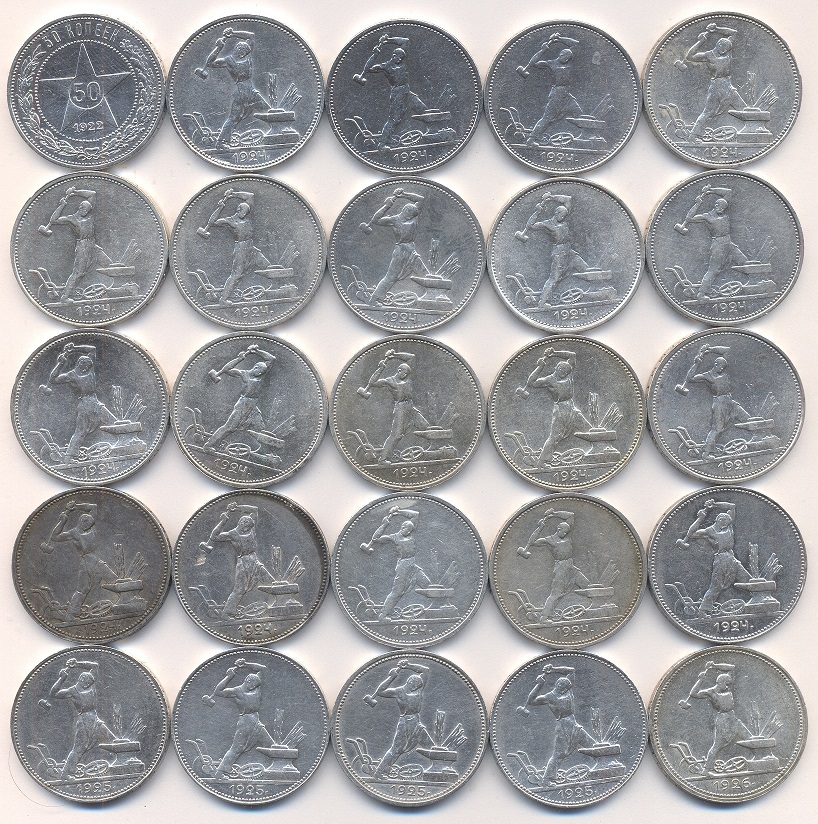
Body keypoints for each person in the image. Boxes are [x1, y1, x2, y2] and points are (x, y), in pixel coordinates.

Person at [522, 664, 595, 784]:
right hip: (563, 727)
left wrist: (553, 670)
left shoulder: (568, 689)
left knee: (592, 745)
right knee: (558, 754)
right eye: (565, 688)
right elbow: (531, 701)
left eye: (568, 688)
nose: (567, 689)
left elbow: (571, 670)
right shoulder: (549, 697)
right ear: (559, 686)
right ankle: (547, 780)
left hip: (574, 724)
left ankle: (602, 767)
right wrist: (539, 684)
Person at [677, 499, 751, 615]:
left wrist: (715, 504)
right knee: (716, 586)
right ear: (718, 520)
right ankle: (703, 610)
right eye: (723, 519)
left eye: (727, 519)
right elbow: (691, 534)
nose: (727, 520)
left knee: (748, 580)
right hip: (721, 559)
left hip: (731, 558)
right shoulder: (710, 531)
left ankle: (756, 602)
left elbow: (732, 506)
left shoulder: (728, 527)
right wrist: (700, 519)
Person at [46, 347, 117, 462]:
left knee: (114, 423)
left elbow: (93, 349)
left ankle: (121, 446)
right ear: (79, 363)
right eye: (85, 366)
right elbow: (53, 379)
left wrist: (74, 348)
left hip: (95, 402)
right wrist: (60, 364)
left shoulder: (90, 370)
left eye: (89, 366)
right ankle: (69, 457)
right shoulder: (71, 375)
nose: (87, 368)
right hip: (84, 405)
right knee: (81, 431)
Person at [522, 348, 590, 466]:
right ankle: (541, 462)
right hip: (560, 410)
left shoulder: (569, 374)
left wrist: (554, 354)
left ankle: (599, 449)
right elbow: (531, 383)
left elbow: (572, 354)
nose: (564, 373)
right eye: (562, 371)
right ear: (557, 369)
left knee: (588, 429)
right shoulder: (549, 380)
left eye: (566, 372)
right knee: (554, 437)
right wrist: (540, 367)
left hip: (572, 408)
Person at [48, 658, 115, 778]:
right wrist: (62, 678)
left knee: (112, 739)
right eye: (87, 683)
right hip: (83, 721)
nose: (90, 684)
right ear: (81, 680)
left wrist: (76, 664)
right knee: (78, 748)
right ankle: (65, 774)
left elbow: (95, 665)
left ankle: (120, 763)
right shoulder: (72, 691)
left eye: (91, 682)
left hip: (95, 719)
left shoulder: (91, 683)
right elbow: (53, 694)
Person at [518, 509, 590, 620]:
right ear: (558, 529)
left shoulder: (567, 535)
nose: (565, 534)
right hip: (561, 569)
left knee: (587, 586)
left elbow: (571, 515)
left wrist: (553, 514)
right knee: (555, 594)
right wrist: (540, 528)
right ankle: (544, 618)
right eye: (564, 532)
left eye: (567, 532)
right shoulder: (550, 540)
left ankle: (591, 610)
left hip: (571, 567)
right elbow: (532, 542)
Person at [204, 344, 276, 453]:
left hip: (253, 405)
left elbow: (272, 359)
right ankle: (209, 445)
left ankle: (265, 452)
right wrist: (239, 359)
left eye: (263, 372)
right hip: (244, 404)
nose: (261, 373)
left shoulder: (262, 373)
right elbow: (227, 369)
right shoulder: (244, 374)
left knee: (260, 427)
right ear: (256, 367)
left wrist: (256, 351)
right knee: (230, 427)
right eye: (260, 371)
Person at [205, 508, 276, 619]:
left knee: (271, 582)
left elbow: (255, 510)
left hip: (255, 561)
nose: (248, 529)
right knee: (239, 590)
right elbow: (214, 537)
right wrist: (223, 521)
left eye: (250, 527)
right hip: (243, 563)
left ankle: (275, 604)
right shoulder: (232, 534)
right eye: (247, 526)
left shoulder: (251, 529)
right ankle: (226, 613)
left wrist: (236, 508)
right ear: (241, 523)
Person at [363, 505, 430, 620]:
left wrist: (398, 511)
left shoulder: (410, 532)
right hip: (403, 566)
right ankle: (383, 615)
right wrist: (384, 525)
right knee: (397, 592)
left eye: (410, 530)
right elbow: (375, 539)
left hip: (412, 564)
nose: (409, 532)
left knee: (427, 584)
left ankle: (431, 611)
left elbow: (415, 514)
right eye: (407, 530)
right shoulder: (394, 537)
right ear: (402, 528)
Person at [210, 660, 275, 778]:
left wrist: (245, 665)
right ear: (247, 681)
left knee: (271, 745)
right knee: (236, 748)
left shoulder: (256, 687)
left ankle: (276, 770)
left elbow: (264, 669)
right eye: (253, 685)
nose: (254, 687)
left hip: (256, 721)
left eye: (256, 686)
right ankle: (219, 772)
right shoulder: (237, 691)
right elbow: (218, 691)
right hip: (245, 722)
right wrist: (228, 677)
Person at [368, 660, 433, 777]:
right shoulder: (399, 692)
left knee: (430, 746)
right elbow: (380, 691)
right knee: (396, 750)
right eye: (415, 685)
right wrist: (391, 678)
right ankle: (379, 772)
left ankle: (438, 769)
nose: (416, 687)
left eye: (418, 686)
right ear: (409, 682)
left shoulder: (419, 689)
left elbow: (425, 670)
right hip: (405, 723)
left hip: (416, 722)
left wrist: (408, 666)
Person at [46, 501, 112, 618]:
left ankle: (72, 612)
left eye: (91, 524)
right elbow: (55, 537)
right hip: (87, 561)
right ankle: (72, 613)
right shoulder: (73, 533)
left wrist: (75, 507)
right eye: (87, 525)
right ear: (81, 522)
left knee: (111, 579)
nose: (89, 527)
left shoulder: (92, 527)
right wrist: (63, 521)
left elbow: (93, 506)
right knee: (83, 588)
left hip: (94, 559)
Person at [202, 29, 267, 147]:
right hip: (241, 93)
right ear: (237, 49)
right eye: (242, 50)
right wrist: (218, 48)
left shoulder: (248, 56)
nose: (244, 53)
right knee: (234, 118)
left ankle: (277, 132)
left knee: (268, 110)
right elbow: (210, 63)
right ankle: (220, 142)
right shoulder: (228, 61)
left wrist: (232, 34)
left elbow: (251, 35)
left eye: (246, 51)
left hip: (251, 90)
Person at [684, 26, 745, 143]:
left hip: (728, 86)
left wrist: (716, 29)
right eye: (724, 48)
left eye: (728, 49)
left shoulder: (728, 50)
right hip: (716, 87)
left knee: (744, 109)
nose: (725, 51)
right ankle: (692, 136)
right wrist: (700, 42)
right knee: (708, 112)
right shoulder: (708, 55)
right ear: (718, 45)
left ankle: (749, 134)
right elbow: (689, 56)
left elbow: (734, 32)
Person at [527, 194, 590, 306]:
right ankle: (542, 302)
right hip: (559, 253)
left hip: (569, 252)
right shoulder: (547, 224)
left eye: (565, 215)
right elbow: (530, 226)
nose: (563, 217)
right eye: (562, 215)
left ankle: (596, 291)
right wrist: (537, 212)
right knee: (554, 278)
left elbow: (568, 199)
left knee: (586, 269)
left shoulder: (565, 220)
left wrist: (551, 197)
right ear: (556, 213)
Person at [683, 193, 748, 299]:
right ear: (716, 205)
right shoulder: (707, 216)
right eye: (721, 207)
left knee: (745, 262)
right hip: (718, 245)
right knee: (713, 270)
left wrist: (711, 190)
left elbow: (728, 192)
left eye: (724, 208)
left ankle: (751, 286)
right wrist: (697, 204)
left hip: (729, 244)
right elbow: (689, 218)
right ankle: (701, 294)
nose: (723, 209)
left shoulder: (723, 215)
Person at [691, 662, 752, 772]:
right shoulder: (710, 692)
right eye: (726, 684)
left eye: (729, 684)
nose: (728, 686)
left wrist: (714, 666)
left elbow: (732, 667)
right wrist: (700, 680)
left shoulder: (727, 688)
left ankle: (755, 762)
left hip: (733, 719)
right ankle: (706, 770)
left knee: (750, 738)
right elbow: (693, 694)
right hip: (722, 721)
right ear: (721, 682)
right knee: (717, 746)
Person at [368, 188, 426, 305]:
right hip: (400, 251)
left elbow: (421, 199)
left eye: (413, 216)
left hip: (411, 250)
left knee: (425, 274)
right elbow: (375, 220)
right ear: (405, 211)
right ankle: (374, 300)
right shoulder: (394, 220)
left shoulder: (414, 215)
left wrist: (403, 194)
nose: (411, 218)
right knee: (391, 277)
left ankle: (430, 298)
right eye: (410, 216)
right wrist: (386, 206)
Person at [366, 38, 426, 149]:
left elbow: (405, 41)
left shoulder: (401, 62)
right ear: (393, 56)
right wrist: (375, 54)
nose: (400, 59)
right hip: (397, 93)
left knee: (422, 109)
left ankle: (429, 135)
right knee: (393, 119)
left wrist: (387, 40)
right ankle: (382, 144)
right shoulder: (386, 66)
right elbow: (368, 69)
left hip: (406, 92)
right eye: (398, 57)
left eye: (402, 58)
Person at [688, 355, 752, 457]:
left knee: (748, 419)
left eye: (723, 367)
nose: (722, 369)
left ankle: (758, 441)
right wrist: (696, 364)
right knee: (717, 429)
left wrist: (731, 400)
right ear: (715, 364)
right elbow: (690, 378)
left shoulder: (724, 375)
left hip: (730, 402)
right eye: (721, 366)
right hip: (719, 404)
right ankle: (706, 454)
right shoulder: (708, 376)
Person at [45, 186, 100, 302]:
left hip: (92, 244)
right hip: (83, 247)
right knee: (78, 273)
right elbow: (53, 220)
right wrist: (62, 205)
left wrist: (74, 192)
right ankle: (65, 297)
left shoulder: (89, 215)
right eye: (84, 209)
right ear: (80, 208)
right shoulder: (72, 219)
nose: (86, 211)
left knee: (107, 264)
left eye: (88, 209)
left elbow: (92, 194)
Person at [366, 354, 419, 463]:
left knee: (425, 426)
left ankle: (433, 453)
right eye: (404, 373)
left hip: (411, 407)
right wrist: (380, 368)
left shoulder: (407, 379)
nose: (405, 375)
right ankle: (383, 458)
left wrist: (394, 355)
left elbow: (411, 357)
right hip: (401, 408)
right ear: (399, 371)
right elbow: (372, 383)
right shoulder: (390, 381)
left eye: (407, 373)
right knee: (396, 435)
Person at [525, 47, 583, 146]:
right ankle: (531, 139)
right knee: (547, 118)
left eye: (569, 59)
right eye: (566, 57)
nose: (567, 60)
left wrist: (559, 39)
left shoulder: (567, 64)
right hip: (557, 95)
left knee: (579, 114)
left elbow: (576, 44)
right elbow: (532, 63)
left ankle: (585, 138)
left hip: (567, 95)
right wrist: (543, 50)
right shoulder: (550, 63)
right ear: (561, 55)